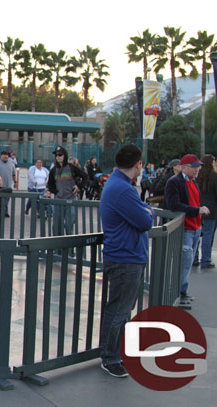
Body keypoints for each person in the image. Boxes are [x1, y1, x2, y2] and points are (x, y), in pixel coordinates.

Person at [99, 144, 155, 378]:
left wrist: (145, 210)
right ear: (138, 164)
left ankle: (114, 353)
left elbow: (143, 211)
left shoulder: (119, 185)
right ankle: (110, 357)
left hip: (125, 255)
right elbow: (145, 220)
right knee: (120, 309)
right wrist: (147, 212)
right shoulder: (123, 189)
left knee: (121, 308)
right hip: (125, 257)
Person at [165, 154, 210, 306]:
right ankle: (178, 292)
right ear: (184, 168)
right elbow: (174, 205)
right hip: (185, 229)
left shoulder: (193, 181)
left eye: (198, 166)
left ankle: (182, 291)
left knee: (187, 262)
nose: (198, 169)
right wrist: (197, 211)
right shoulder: (174, 182)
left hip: (195, 228)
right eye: (194, 166)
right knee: (184, 262)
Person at [45, 146, 88, 236]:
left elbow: (85, 176)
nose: (58, 157)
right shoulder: (53, 170)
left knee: (69, 224)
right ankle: (58, 248)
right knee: (57, 226)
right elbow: (50, 184)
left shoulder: (71, 167)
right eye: (56, 155)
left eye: (60, 154)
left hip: (71, 200)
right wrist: (55, 192)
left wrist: (79, 186)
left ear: (65, 156)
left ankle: (69, 248)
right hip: (58, 201)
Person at [196, 154, 217, 269]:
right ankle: (206, 260)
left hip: (198, 208)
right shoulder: (214, 176)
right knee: (208, 235)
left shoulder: (198, 176)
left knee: (197, 234)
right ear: (211, 163)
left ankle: (194, 258)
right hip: (212, 210)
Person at [0, 151, 16, 216]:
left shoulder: (11, 163)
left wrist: (15, 182)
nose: (5, 156)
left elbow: (13, 174)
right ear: (1, 156)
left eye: (6, 155)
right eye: (4, 155)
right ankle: (3, 211)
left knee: (7, 199)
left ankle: (5, 211)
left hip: (9, 184)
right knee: (1, 199)